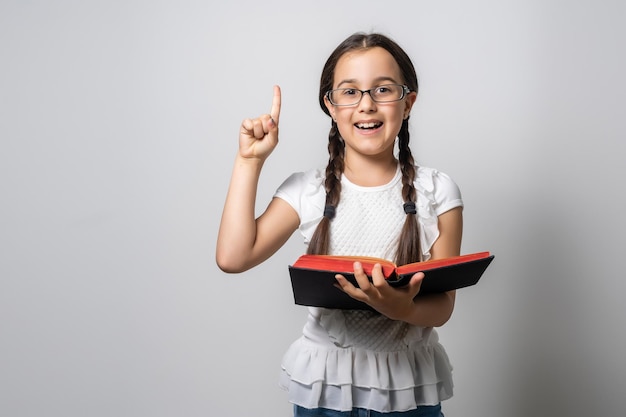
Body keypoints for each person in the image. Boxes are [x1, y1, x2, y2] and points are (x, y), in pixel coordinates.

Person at [216, 32, 463, 417]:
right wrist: (249, 162)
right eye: (350, 92)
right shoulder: (306, 190)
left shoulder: (438, 190)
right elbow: (233, 257)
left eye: (383, 89)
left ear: (408, 102)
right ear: (330, 106)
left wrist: (402, 309)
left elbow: (443, 306)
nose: (366, 105)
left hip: (407, 390)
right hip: (324, 391)